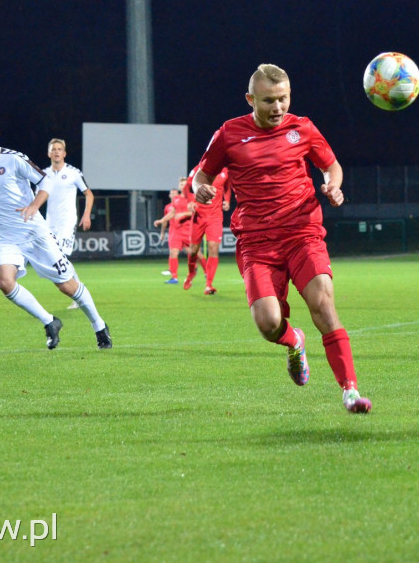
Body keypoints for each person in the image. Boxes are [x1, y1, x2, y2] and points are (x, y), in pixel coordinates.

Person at [192, 63, 371, 413]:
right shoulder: (228, 134)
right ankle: (294, 340)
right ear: (250, 99)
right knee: (269, 324)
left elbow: (331, 165)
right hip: (257, 243)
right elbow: (203, 175)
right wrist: (201, 190)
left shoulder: (302, 128)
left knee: (323, 303)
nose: (277, 108)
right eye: (269, 100)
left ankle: (350, 391)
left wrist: (334, 186)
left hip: (303, 232)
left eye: (283, 99)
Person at [0, 115, 112, 349]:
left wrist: (34, 206)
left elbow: (44, 182)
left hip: (35, 233)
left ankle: (99, 325)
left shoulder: (14, 159)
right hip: (7, 238)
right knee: (4, 281)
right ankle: (50, 321)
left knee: (66, 286)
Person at [43, 138, 94, 309]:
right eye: (53, 149)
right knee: (56, 259)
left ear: (64, 153)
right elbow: (35, 198)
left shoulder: (73, 172)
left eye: (59, 149)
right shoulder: (44, 174)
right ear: (49, 153)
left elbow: (89, 194)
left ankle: (78, 294)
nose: (56, 152)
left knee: (61, 257)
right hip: (49, 223)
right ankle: (79, 291)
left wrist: (86, 215)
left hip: (67, 221)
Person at [183, 157, 231, 293]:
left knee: (213, 248)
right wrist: (189, 202)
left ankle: (208, 285)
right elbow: (187, 186)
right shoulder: (199, 169)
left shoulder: (225, 171)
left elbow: (228, 187)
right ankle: (191, 272)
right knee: (193, 250)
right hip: (199, 215)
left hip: (215, 217)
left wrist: (227, 200)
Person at [153, 179, 196, 284]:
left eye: (184, 184)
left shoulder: (192, 198)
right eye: (180, 184)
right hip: (175, 231)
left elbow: (196, 212)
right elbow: (171, 214)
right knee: (173, 252)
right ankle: (174, 277)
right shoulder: (173, 203)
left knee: (192, 253)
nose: (182, 186)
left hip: (188, 229)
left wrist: (184, 214)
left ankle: (194, 269)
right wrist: (161, 221)